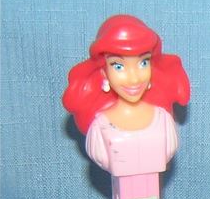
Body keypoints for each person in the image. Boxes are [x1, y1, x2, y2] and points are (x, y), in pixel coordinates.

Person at [63, 15, 190, 174]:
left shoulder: (163, 122)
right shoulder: (100, 128)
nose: (134, 78)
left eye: (143, 63)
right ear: (104, 72)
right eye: (118, 66)